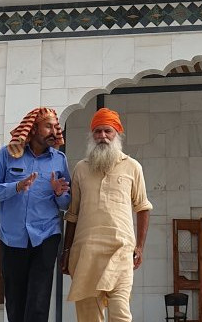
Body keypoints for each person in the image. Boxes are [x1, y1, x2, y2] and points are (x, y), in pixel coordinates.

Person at [61, 108, 152, 322]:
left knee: (120, 313)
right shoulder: (81, 169)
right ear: (92, 136)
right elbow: (72, 214)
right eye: (98, 131)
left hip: (121, 250)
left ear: (116, 134)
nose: (102, 136)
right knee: (88, 317)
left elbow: (143, 207)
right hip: (85, 252)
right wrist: (66, 250)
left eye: (107, 131)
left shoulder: (133, 167)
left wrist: (139, 247)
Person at [0, 107, 70, 322]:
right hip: (12, 237)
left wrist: (59, 194)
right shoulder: (7, 154)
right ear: (33, 128)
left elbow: (67, 203)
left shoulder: (59, 160)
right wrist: (16, 187)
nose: (54, 131)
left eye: (55, 127)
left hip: (46, 234)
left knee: (38, 301)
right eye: (48, 126)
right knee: (15, 302)